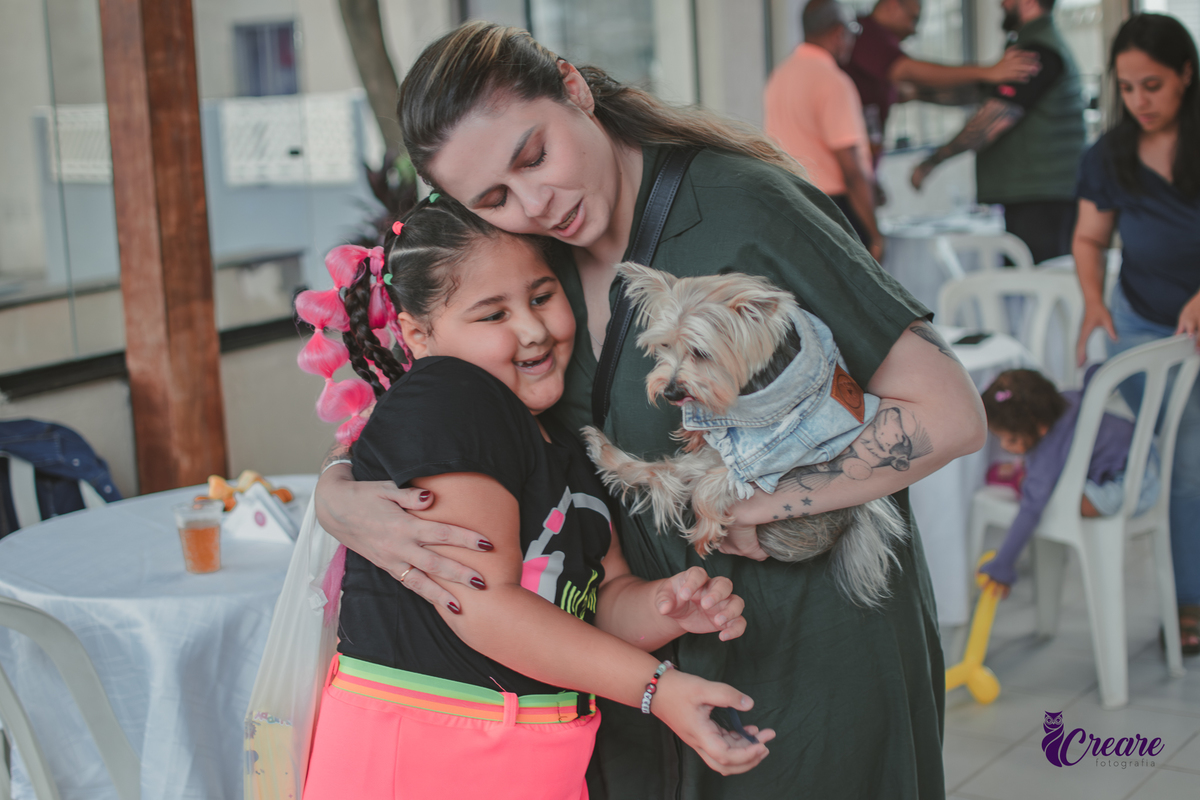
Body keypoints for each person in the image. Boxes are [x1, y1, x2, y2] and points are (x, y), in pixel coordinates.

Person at [316, 21, 987, 798]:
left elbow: (947, 411)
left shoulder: (744, 207)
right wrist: (339, 492)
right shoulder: (532, 264)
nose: (536, 202)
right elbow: (439, 405)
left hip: (815, 658)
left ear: (573, 88)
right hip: (638, 674)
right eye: (494, 196)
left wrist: (761, 503)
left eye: (535, 156)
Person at [301, 196, 773, 798]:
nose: (532, 329)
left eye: (542, 297)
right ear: (419, 334)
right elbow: (480, 602)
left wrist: (663, 607)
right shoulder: (453, 396)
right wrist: (658, 687)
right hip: (428, 758)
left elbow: (594, 601)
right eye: (492, 315)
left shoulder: (560, 442)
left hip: (527, 759)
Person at [1072, 12, 1200, 655]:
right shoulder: (1111, 154)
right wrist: (1094, 302)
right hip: (1146, 323)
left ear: (1185, 74)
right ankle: (1188, 603)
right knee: (1181, 459)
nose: (1138, 102)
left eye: (1152, 85)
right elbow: (1091, 238)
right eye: (1126, 88)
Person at [911, 0, 1087, 264]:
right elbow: (980, 93)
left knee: (1035, 289)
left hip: (1042, 197)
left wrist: (932, 162)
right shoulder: (1030, 44)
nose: (1001, 4)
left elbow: (992, 119)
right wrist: (915, 93)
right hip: (1035, 195)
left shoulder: (1036, 51)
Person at [977, 368, 1160, 598]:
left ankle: (1024, 480)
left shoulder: (1046, 455)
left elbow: (1030, 511)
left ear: (1041, 426)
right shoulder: (1070, 397)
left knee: (1054, 500)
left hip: (1134, 483)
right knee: (1047, 481)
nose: (1005, 447)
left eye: (1012, 439)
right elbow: (1097, 373)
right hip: (1145, 451)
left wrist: (1002, 565)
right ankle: (1026, 478)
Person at [844, 0, 1041, 167]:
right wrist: (987, 72)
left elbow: (910, 92)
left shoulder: (877, 55)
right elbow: (907, 71)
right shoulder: (866, 34)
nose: (913, 30)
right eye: (913, 19)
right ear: (892, 6)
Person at [764, 0, 883, 261]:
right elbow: (851, 170)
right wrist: (875, 234)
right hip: (833, 210)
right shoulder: (833, 81)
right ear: (839, 33)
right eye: (853, 31)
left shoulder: (780, 76)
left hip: (791, 204)